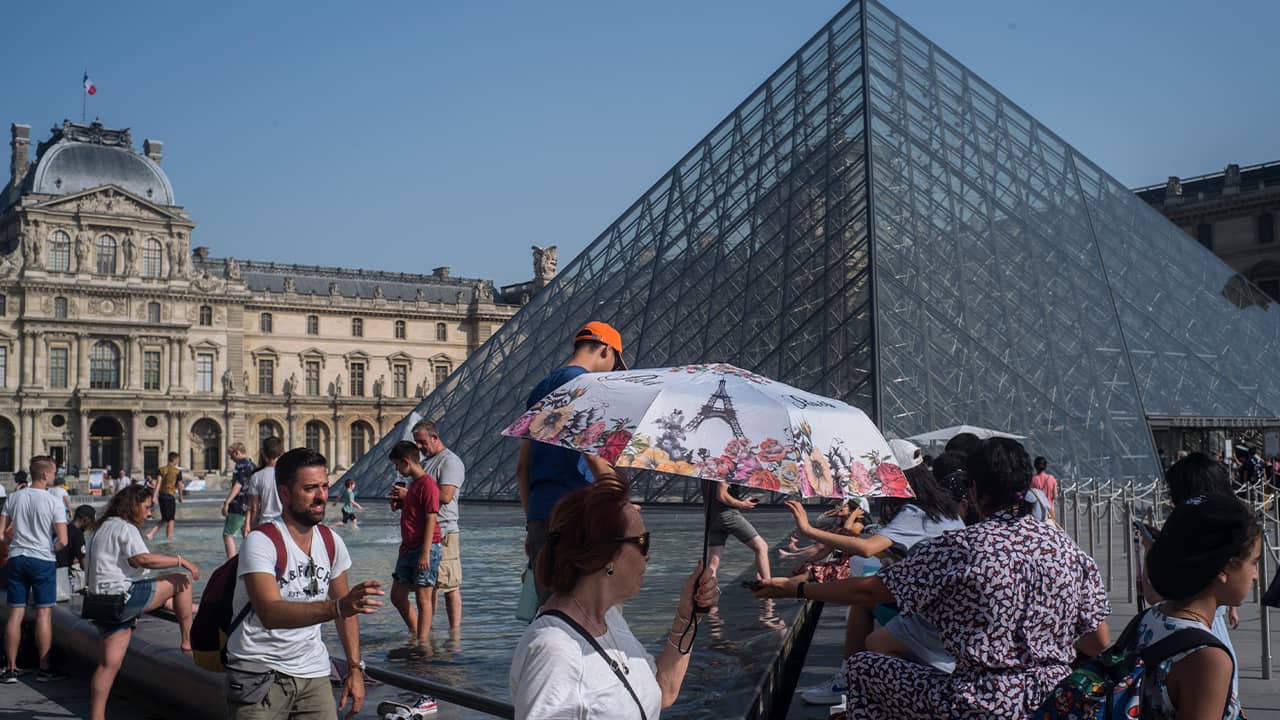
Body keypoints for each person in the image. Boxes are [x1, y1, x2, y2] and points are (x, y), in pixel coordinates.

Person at [757, 438, 1111, 718]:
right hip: (1055, 700)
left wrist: (798, 588)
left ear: (974, 490)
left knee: (863, 669)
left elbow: (870, 592)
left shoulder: (958, 547)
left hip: (981, 702)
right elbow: (1097, 643)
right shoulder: (1070, 552)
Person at [510, 470, 719, 718]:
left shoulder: (610, 620)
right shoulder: (554, 650)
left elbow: (663, 691)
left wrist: (689, 617)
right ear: (607, 555)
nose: (648, 555)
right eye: (643, 542)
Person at [789, 445, 964, 706]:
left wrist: (808, 530)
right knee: (866, 602)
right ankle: (851, 680)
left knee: (875, 636)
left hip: (932, 615)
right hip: (950, 606)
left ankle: (869, 694)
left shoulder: (914, 514)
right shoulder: (942, 509)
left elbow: (866, 547)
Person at [225, 448, 384, 720]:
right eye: (310, 488)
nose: (322, 496)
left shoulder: (332, 542)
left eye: (324, 486)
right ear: (285, 493)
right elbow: (270, 613)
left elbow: (346, 613)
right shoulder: (261, 542)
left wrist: (355, 669)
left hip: (314, 673)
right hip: (260, 673)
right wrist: (338, 607)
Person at [517, 321, 627, 598]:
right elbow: (592, 457)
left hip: (542, 511)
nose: (614, 370)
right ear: (605, 350)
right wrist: (619, 499)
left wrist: (533, 523)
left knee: (549, 608)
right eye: (616, 361)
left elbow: (522, 468)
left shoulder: (541, 388)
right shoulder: (589, 385)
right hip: (579, 511)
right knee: (586, 607)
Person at [85, 484, 201, 720]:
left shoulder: (102, 527)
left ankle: (97, 717)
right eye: (147, 507)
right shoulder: (125, 529)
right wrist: (180, 559)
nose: (149, 513)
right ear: (134, 505)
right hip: (122, 601)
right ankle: (188, 640)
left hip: (99, 603)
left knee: (107, 666)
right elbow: (143, 560)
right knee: (182, 579)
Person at [1140, 493, 1258, 719]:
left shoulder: (1151, 618)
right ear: (1225, 568)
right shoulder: (1208, 659)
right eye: (1253, 562)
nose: (1255, 576)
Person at [1139, 452, 1241, 697]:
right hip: (1211, 633)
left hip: (1191, 638)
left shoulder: (1183, 536)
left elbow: (1154, 595)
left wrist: (1151, 551)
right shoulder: (1228, 529)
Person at [0, 456, 68, 683]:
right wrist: (50, 548)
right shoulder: (53, 502)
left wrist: (14, 545)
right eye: (54, 472)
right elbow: (64, 541)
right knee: (43, 613)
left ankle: (10, 669)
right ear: (45, 475)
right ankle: (44, 668)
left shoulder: (13, 497)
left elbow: (0, 533)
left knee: (15, 613)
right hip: (42, 560)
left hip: (17, 558)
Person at [388, 441, 442, 658]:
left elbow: (431, 518)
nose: (396, 470)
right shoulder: (413, 486)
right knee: (397, 595)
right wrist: (401, 504)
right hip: (408, 546)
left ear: (406, 462)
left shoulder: (427, 484)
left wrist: (425, 552)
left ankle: (423, 642)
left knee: (423, 597)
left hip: (424, 547)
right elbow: (417, 512)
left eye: (397, 465)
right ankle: (417, 631)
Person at [413, 419, 466, 631]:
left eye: (422, 441)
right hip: (428, 531)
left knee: (450, 585)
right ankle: (430, 629)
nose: (418, 446)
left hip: (445, 531)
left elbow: (445, 496)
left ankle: (455, 633)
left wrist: (411, 495)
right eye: (416, 442)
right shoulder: (425, 464)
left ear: (435, 438)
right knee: (431, 585)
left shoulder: (450, 462)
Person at [703, 479, 772, 584]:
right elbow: (721, 495)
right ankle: (768, 590)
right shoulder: (724, 467)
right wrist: (742, 504)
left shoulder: (707, 470)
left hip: (711, 518)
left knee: (713, 564)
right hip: (728, 515)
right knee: (761, 547)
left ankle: (704, 594)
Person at [221, 442, 256, 558]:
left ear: (237, 453)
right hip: (249, 504)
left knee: (227, 534)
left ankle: (231, 563)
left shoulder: (240, 465)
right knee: (247, 533)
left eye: (231, 455)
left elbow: (239, 484)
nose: (231, 459)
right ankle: (251, 559)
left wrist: (227, 502)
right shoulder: (252, 464)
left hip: (239, 504)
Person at [246, 437, 284, 528]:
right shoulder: (289, 474)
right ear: (282, 453)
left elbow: (254, 508)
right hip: (284, 524)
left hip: (265, 524)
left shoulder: (256, 476)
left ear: (263, 454)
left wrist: (253, 529)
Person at [147, 452, 184, 540]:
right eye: (178, 459)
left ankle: (168, 537)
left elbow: (158, 483)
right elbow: (180, 485)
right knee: (169, 519)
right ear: (174, 460)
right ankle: (152, 533)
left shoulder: (161, 469)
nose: (178, 461)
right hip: (170, 496)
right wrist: (181, 496)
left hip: (162, 496)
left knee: (168, 518)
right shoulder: (177, 471)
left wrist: (154, 496)